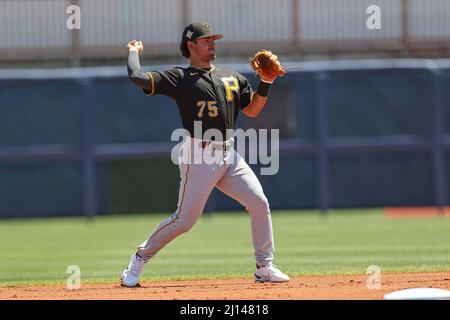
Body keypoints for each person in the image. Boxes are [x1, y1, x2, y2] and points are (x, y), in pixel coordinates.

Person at [121, 22, 289, 287]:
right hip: (199, 155)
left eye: (214, 39)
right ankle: (140, 257)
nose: (212, 43)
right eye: (206, 40)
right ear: (191, 45)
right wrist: (133, 52)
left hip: (229, 154)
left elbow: (253, 110)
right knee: (185, 220)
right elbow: (137, 77)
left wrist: (266, 82)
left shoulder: (231, 76)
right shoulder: (180, 78)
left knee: (259, 203)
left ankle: (264, 267)